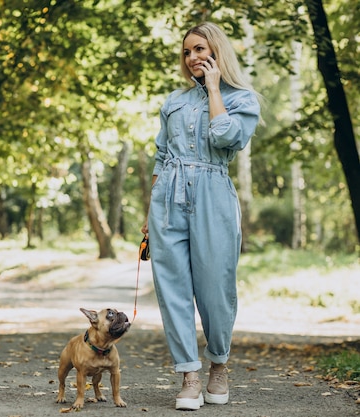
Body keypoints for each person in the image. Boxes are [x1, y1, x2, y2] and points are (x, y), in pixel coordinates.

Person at [141, 22, 262, 411]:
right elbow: (161, 154)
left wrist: (213, 90)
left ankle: (218, 365)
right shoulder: (173, 101)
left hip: (213, 193)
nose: (193, 57)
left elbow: (226, 137)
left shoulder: (243, 99)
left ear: (217, 52)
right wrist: (150, 211)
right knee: (172, 289)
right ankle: (189, 374)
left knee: (215, 290)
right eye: (187, 52)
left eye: (200, 49)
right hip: (167, 198)